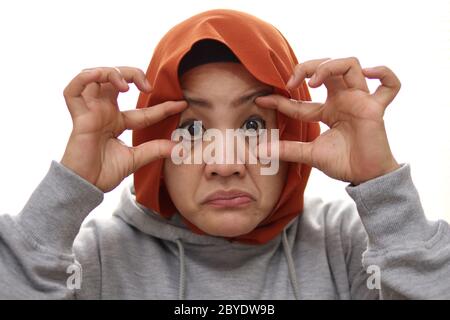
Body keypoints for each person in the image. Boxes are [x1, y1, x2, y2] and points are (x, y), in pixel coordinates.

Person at [0, 9, 449, 300]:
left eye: (253, 125)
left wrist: (381, 185)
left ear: (292, 128)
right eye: (192, 130)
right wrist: (66, 192)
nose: (226, 163)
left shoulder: (349, 246)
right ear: (154, 138)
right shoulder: (95, 257)